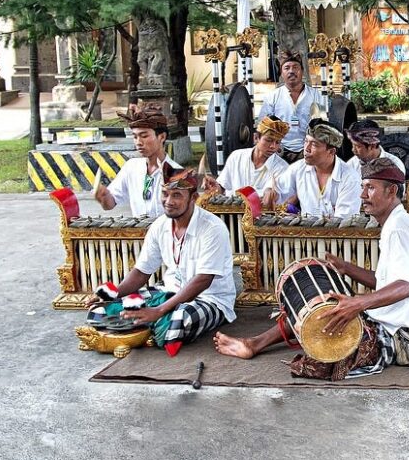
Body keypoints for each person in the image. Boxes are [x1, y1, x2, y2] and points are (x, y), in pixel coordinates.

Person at [213, 158, 409, 380]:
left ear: (391, 191)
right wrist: (345, 268)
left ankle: (254, 344)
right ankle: (254, 343)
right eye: (362, 187)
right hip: (393, 323)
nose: (362, 195)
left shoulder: (399, 229)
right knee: (322, 307)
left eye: (370, 188)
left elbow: (403, 288)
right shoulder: (394, 224)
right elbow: (386, 282)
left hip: (408, 339)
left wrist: (357, 303)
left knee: (328, 327)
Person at [86, 168, 236, 357]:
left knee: (179, 320)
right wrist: (112, 295)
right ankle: (151, 328)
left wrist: (158, 311)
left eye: (177, 195)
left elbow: (203, 280)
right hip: (168, 291)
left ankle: (146, 327)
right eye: (164, 194)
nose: (168, 201)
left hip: (210, 299)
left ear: (193, 198)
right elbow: (142, 271)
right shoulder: (160, 225)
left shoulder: (213, 228)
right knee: (99, 311)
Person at [94, 103, 181, 217]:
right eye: (135, 137)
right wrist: (103, 196)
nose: (138, 142)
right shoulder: (131, 167)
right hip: (139, 233)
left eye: (144, 136)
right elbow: (109, 204)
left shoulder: (177, 173)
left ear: (162, 137)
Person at [265, 119, 362, 217]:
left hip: (335, 232)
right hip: (305, 231)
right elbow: (278, 190)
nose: (306, 149)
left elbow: (344, 224)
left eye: (314, 144)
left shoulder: (350, 178)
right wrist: (270, 191)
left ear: (331, 151)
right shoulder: (298, 168)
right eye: (306, 141)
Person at [258, 50, 324, 163]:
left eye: (295, 67)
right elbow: (263, 126)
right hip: (279, 151)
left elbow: (323, 124)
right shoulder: (272, 97)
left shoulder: (316, 95)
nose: (291, 71)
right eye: (287, 68)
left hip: (308, 151)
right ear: (281, 73)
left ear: (302, 71)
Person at [203, 115, 289, 197]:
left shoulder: (282, 168)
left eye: (277, 142)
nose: (273, 146)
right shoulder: (236, 157)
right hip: (232, 211)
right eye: (269, 140)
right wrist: (215, 187)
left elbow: (270, 197)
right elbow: (222, 187)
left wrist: (269, 194)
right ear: (256, 138)